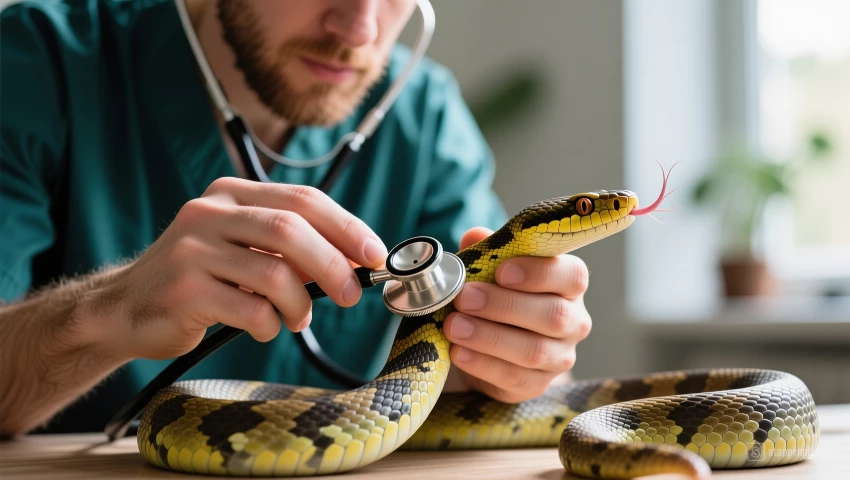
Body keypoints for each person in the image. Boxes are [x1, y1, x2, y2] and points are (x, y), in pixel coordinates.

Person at [0, 0, 592, 437]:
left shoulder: (426, 120)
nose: (359, 29)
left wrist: (510, 358)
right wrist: (107, 311)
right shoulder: (35, 63)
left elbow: (482, 369)